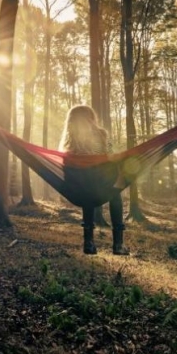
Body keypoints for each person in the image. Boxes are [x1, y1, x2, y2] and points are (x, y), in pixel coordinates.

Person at [59, 105, 129, 255]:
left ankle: (89, 243)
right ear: (91, 118)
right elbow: (113, 155)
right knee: (116, 192)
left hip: (82, 186)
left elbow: (66, 168)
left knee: (86, 192)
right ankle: (118, 244)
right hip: (103, 184)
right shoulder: (102, 135)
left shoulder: (69, 142)